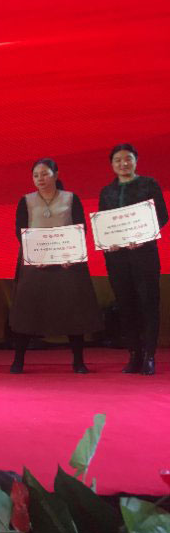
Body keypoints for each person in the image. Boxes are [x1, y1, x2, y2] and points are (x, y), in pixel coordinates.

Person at [9, 159, 102, 373]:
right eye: (36, 175)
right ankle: (18, 360)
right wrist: (35, 255)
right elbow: (20, 231)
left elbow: (80, 228)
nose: (40, 179)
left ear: (56, 174)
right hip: (35, 263)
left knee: (73, 309)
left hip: (67, 262)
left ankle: (78, 361)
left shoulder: (71, 198)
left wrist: (71, 253)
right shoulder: (26, 200)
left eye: (45, 174)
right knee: (27, 310)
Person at [98, 143, 168, 375]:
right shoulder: (107, 192)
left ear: (136, 161)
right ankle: (134, 354)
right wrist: (108, 240)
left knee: (148, 303)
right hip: (117, 257)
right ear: (111, 165)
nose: (123, 164)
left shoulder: (149, 184)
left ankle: (149, 355)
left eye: (128, 159)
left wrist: (143, 236)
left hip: (144, 253)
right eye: (118, 160)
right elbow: (103, 224)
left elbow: (162, 216)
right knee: (125, 304)